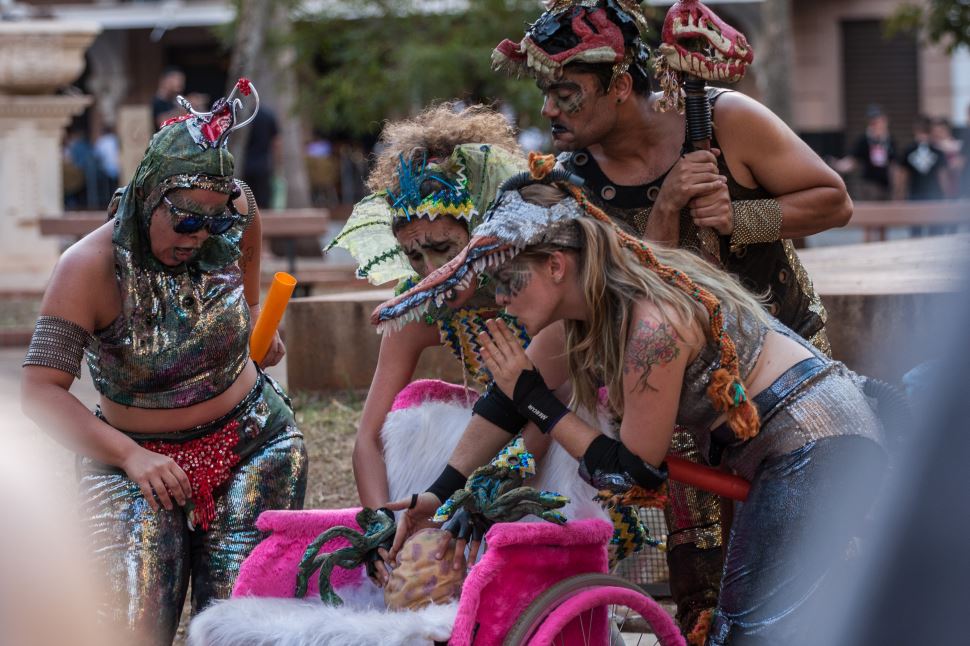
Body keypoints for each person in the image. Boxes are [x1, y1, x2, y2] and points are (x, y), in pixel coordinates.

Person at [384, 165, 886, 644]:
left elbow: (631, 472)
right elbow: (504, 405)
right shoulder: (585, 309)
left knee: (748, 635)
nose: (501, 300)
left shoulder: (651, 325)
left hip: (815, 442)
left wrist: (533, 397)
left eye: (507, 282)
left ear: (556, 265)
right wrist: (435, 495)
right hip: (779, 448)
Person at [489, 0, 851, 633]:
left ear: (622, 86)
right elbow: (638, 293)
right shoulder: (571, 186)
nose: (549, 110)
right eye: (546, 93)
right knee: (705, 581)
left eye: (567, 93)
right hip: (677, 395)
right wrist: (667, 210)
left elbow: (834, 201)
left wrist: (741, 218)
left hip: (777, 379)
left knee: (807, 561)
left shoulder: (722, 119)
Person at [20, 80, 307, 646]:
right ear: (149, 196)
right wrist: (131, 456)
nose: (201, 236)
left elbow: (247, 245)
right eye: (185, 221)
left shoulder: (239, 208)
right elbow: (39, 391)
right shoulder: (89, 269)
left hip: (253, 443)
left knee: (237, 629)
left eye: (215, 222)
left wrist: (251, 319)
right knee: (129, 631)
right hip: (135, 461)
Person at [329, 104, 616, 583]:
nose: (429, 270)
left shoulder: (540, 284)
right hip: (502, 435)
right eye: (414, 254)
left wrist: (481, 494)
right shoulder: (418, 307)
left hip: (575, 439)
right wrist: (380, 521)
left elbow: (553, 407)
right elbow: (368, 438)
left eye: (443, 248)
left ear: (483, 228)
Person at [834, 105, 897, 201]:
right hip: (869, 184)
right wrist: (840, 165)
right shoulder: (864, 140)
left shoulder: (889, 140)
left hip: (886, 185)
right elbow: (853, 159)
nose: (877, 125)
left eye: (880, 121)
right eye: (874, 122)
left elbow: (894, 164)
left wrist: (896, 186)